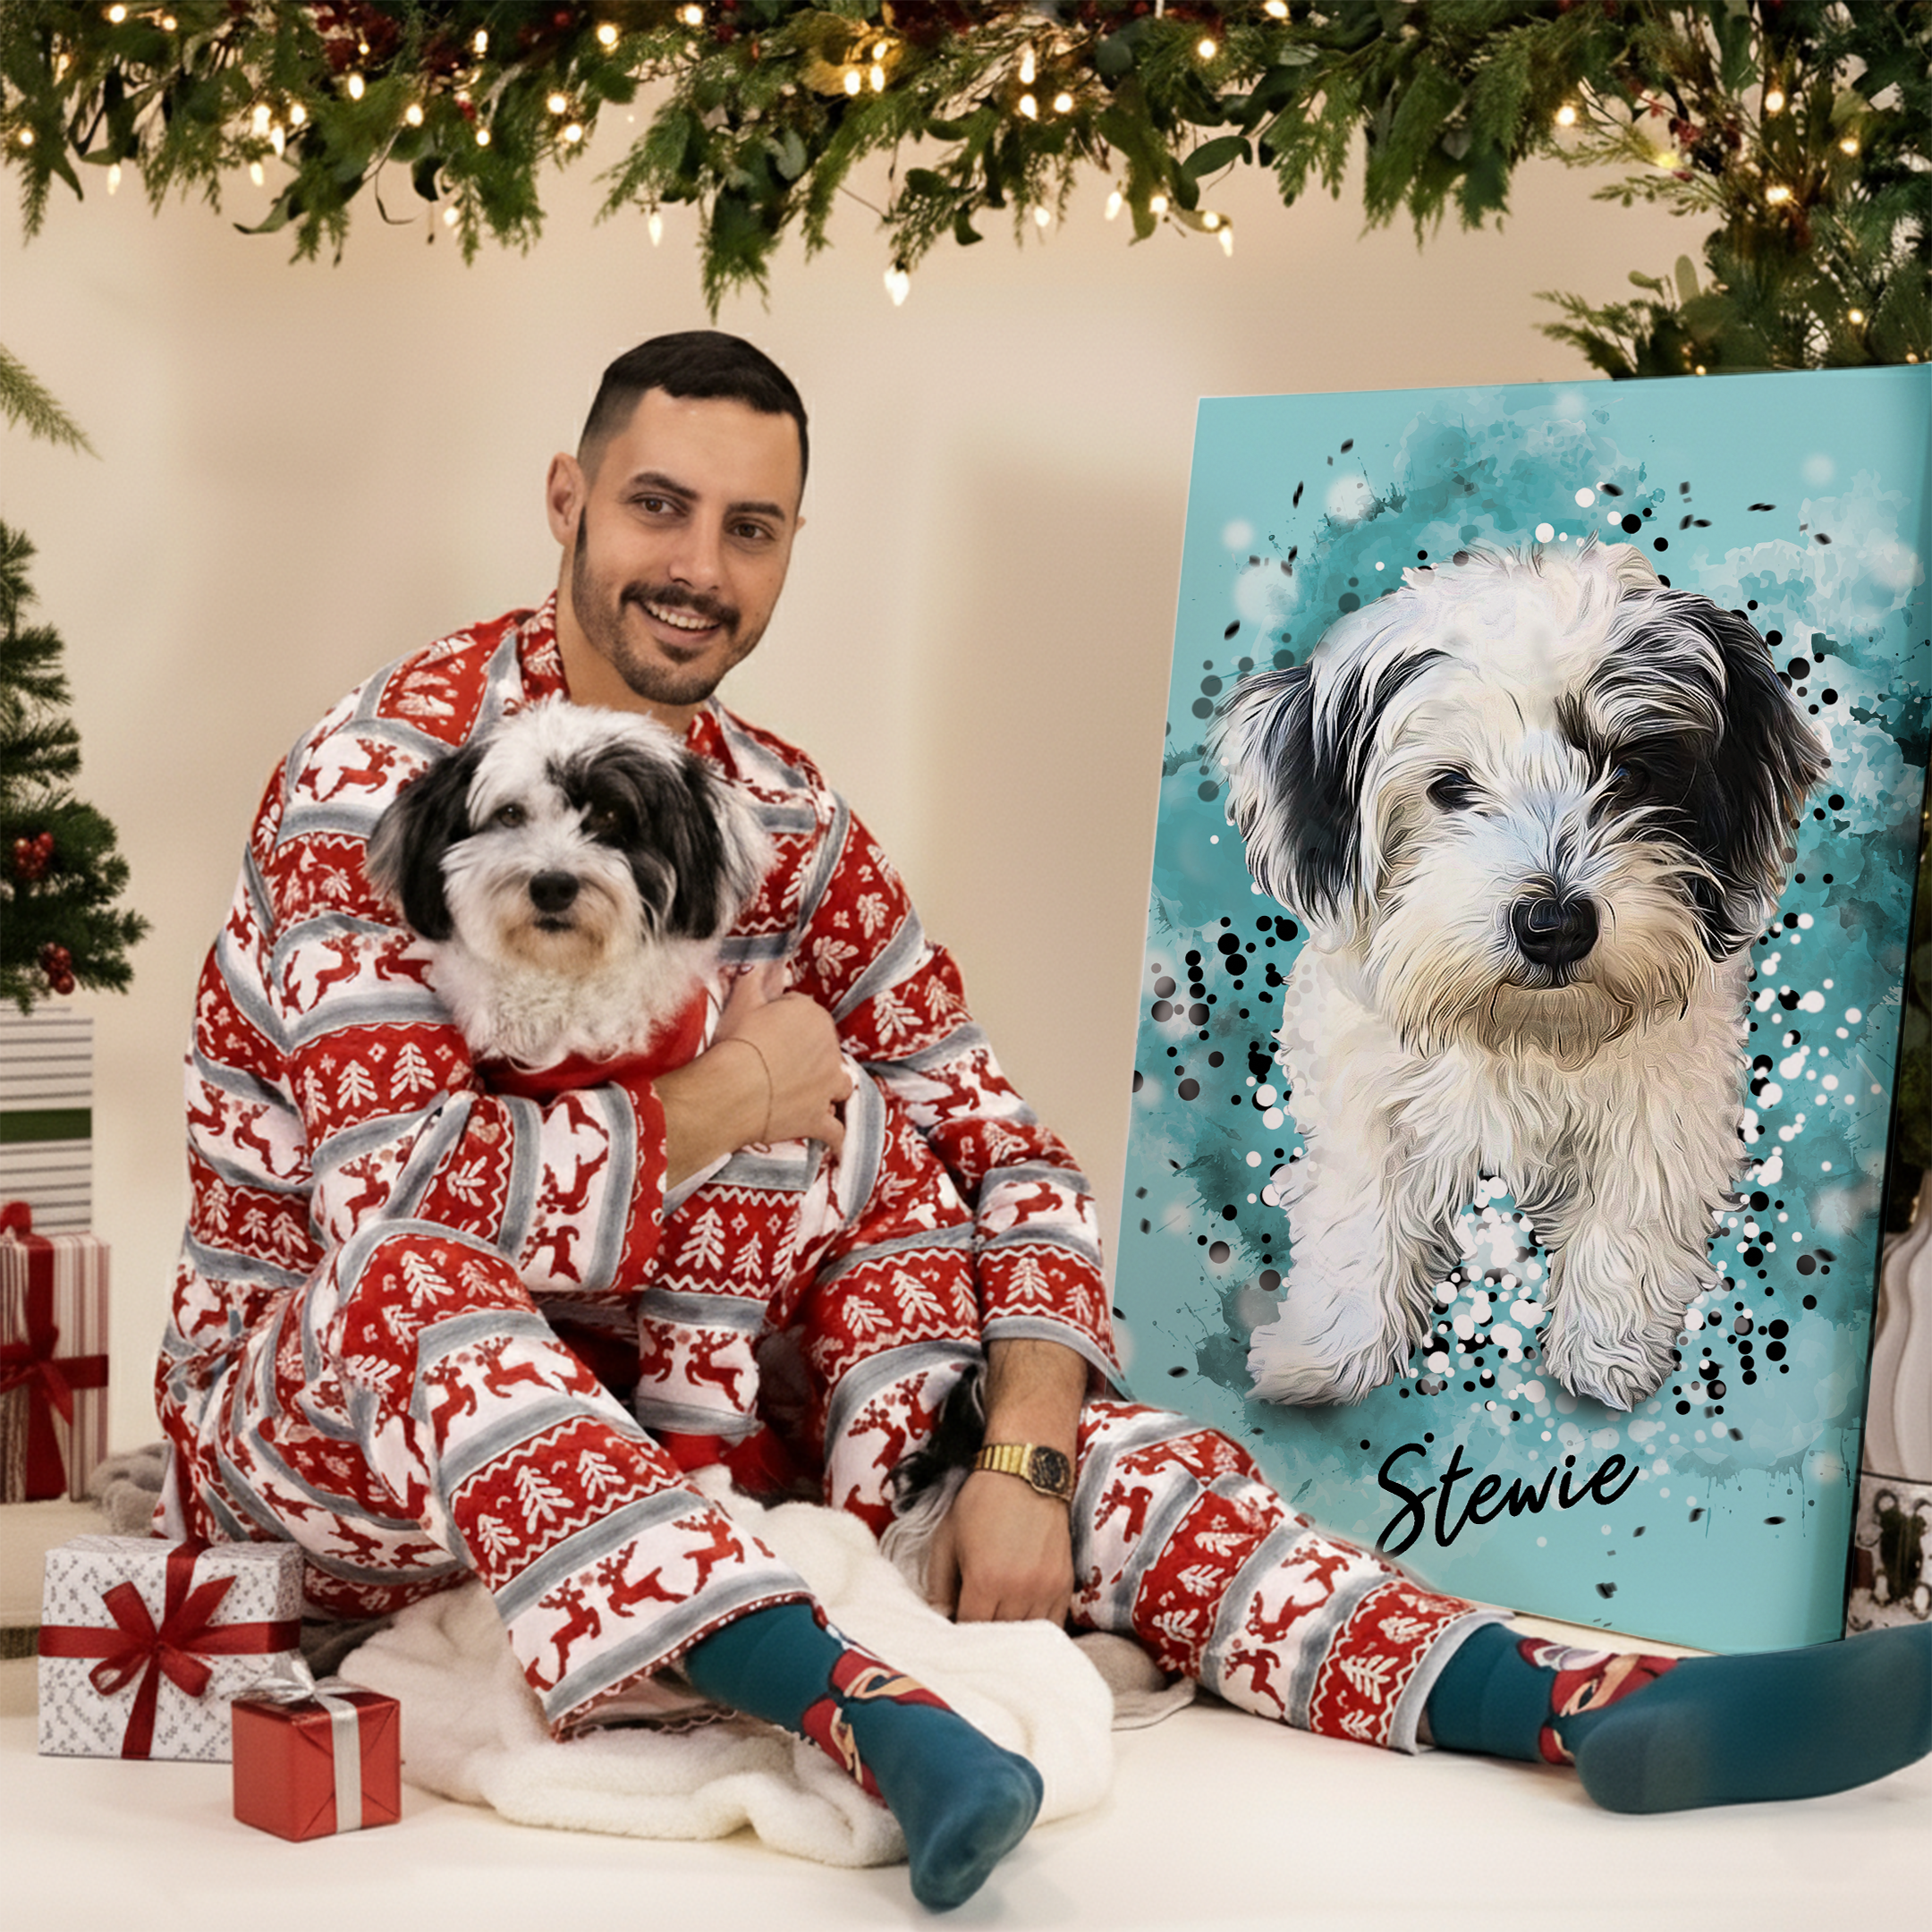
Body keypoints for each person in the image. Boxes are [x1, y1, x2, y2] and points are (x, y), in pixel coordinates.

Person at [160, 332, 1932, 1909]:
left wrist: (1020, 1455)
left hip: (703, 1438)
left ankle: (1571, 1700)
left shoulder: (787, 816)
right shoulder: (382, 782)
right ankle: (871, 1716)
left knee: (1085, 1432)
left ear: (788, 551)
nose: (696, 569)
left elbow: (995, 1138)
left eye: (750, 528)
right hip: (341, 1439)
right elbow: (412, 1212)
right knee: (426, 1290)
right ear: (569, 498)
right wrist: (734, 1099)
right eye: (657, 506)